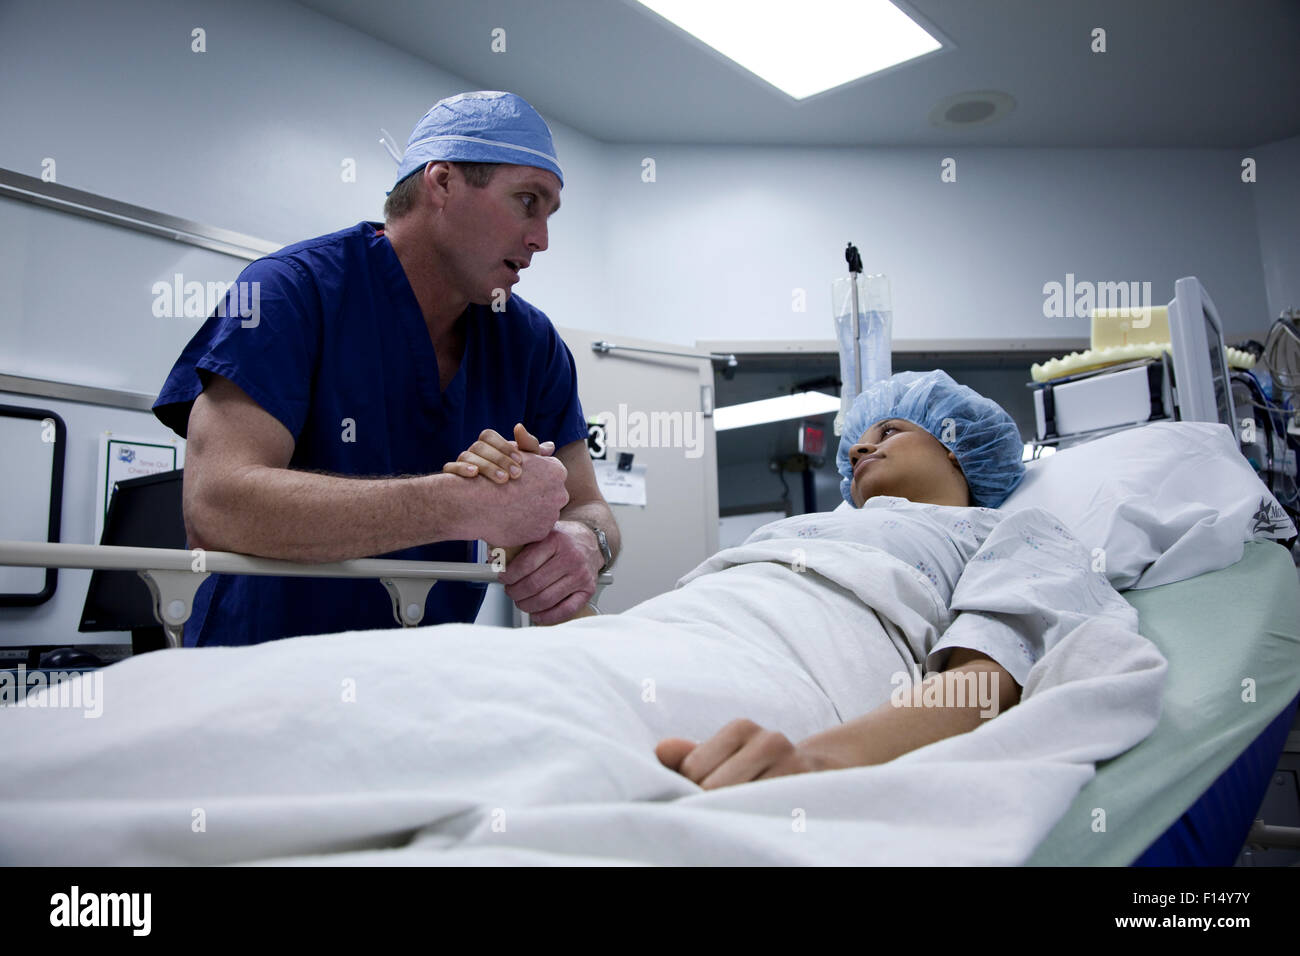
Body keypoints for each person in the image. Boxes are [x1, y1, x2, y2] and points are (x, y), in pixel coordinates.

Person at [441, 369, 1136, 790]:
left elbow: (989, 675)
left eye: (891, 431)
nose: (861, 444)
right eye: (859, 440)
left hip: (780, 681)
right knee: (434, 703)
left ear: (961, 448)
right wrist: (532, 529)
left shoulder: (1009, 532)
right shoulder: (786, 537)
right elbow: (648, 639)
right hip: (640, 645)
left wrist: (818, 768)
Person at [152, 91, 620, 646]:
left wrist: (585, 541)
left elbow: (590, 505)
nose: (541, 239)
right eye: (527, 201)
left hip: (426, 683)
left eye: (549, 214)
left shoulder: (531, 343)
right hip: (261, 676)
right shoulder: (291, 293)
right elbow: (218, 505)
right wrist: (459, 504)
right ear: (442, 183)